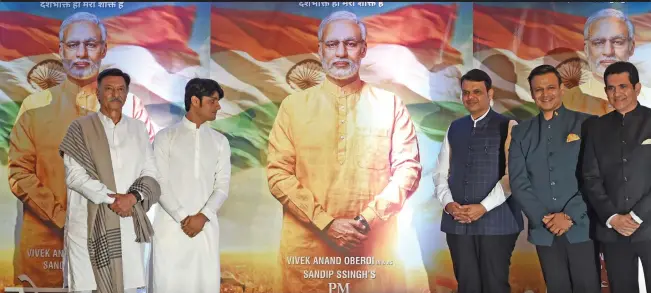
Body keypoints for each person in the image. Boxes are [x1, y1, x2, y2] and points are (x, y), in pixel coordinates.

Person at [265, 10, 422, 293]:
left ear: (363, 49)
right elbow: (278, 175)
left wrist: (366, 220)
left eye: (350, 44)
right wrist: (326, 223)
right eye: (332, 44)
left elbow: (408, 171)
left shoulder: (390, 105)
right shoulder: (293, 107)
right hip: (307, 255)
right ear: (320, 49)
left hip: (372, 255)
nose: (341, 52)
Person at [7, 12, 154, 288]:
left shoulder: (131, 108)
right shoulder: (34, 107)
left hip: (114, 237)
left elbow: (147, 172)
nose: (82, 53)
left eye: (91, 44)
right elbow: (19, 173)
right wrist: (64, 218)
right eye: (73, 45)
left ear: (104, 49)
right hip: (45, 245)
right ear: (60, 49)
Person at [58, 68, 160, 293]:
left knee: (126, 285)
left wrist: (132, 198)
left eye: (121, 89)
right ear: (98, 93)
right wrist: (114, 199)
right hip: (89, 223)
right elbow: (75, 176)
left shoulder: (138, 129)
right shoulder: (80, 128)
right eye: (109, 89)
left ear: (127, 94)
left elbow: (151, 172)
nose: (116, 94)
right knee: (86, 287)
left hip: (126, 221)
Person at [508, 65, 601, 293]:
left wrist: (569, 215)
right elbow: (519, 182)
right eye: (538, 90)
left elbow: (596, 177)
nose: (545, 94)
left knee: (588, 287)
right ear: (531, 94)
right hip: (544, 230)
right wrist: (545, 219)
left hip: (582, 225)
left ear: (561, 89)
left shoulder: (588, 124)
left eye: (551, 87)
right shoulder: (522, 132)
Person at [433, 69, 522, 293]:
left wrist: (482, 208)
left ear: (490, 93)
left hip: (498, 221)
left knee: (495, 285)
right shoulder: (455, 127)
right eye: (465, 93)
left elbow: (513, 177)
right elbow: (440, 173)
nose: (470, 97)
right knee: (467, 285)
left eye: (476, 92)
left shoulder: (509, 126)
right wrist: (448, 204)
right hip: (458, 221)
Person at [149, 78, 230, 293]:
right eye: (212, 100)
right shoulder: (165, 137)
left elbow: (222, 186)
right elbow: (159, 182)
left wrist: (202, 217)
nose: (218, 106)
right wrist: (184, 217)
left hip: (205, 230)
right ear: (195, 100)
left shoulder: (220, 142)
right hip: (170, 230)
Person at [581, 61, 651, 293]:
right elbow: (590, 177)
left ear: (637, 88)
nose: (617, 93)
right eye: (611, 88)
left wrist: (637, 216)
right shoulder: (595, 127)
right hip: (613, 230)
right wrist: (612, 217)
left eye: (623, 86)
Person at [563, 8, 651, 116]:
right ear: (586, 49)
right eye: (598, 42)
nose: (608, 51)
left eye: (618, 42)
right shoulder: (568, 100)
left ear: (631, 47)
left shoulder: (648, 98)